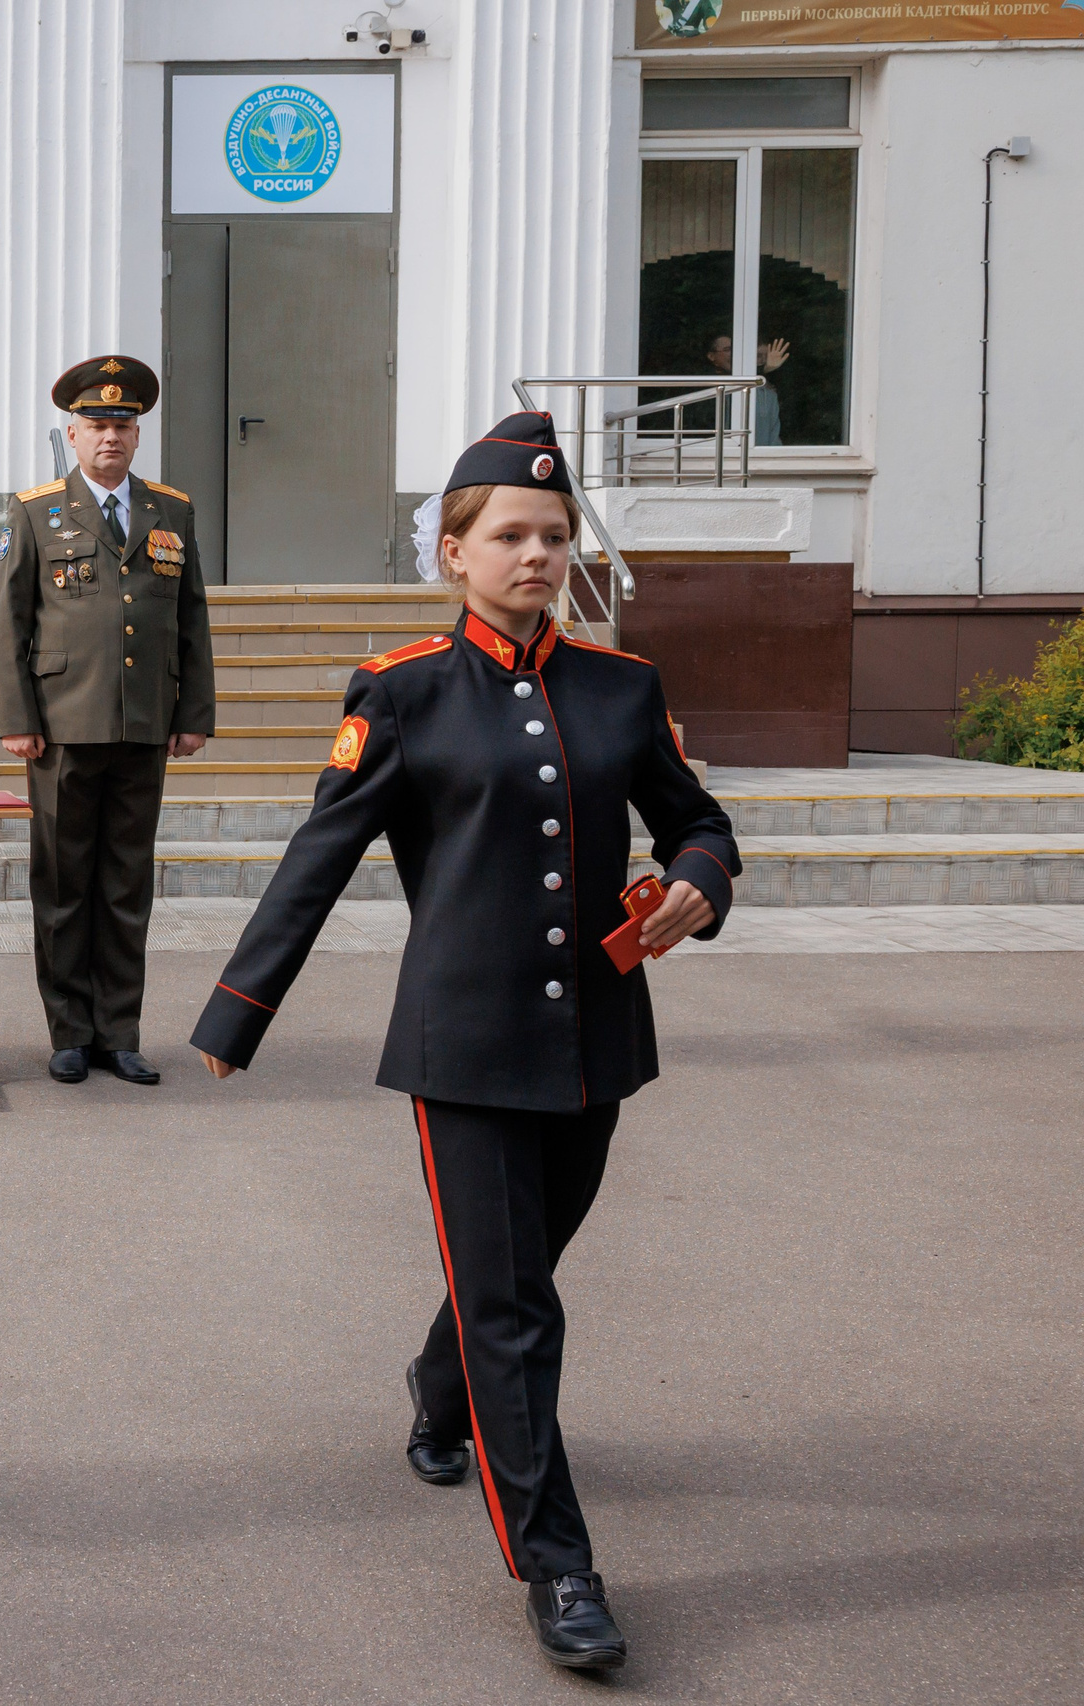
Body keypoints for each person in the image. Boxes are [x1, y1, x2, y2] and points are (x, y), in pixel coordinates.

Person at [188, 413, 742, 1673]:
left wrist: (705, 877)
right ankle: (557, 1566)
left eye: (554, 535)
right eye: (510, 535)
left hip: (598, 1039)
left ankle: (440, 1395)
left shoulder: (621, 685)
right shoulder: (402, 694)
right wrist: (240, 1009)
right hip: (463, 1045)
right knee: (515, 1307)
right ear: (453, 553)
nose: (537, 553)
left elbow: (697, 818)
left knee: (519, 1268)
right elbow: (317, 858)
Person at [0, 355, 215, 1086]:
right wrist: (17, 717)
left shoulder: (169, 512)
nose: (109, 437)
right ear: (73, 433)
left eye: (122, 425)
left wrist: (194, 714)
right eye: (96, 425)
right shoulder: (36, 511)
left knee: (125, 883)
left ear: (137, 435)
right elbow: (9, 624)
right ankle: (68, 1032)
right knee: (62, 884)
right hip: (60, 724)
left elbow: (191, 620)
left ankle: (119, 1031)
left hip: (143, 723)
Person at [705, 332, 788, 446]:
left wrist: (768, 372)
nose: (763, 361)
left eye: (735, 349)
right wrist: (766, 371)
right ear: (711, 356)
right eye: (728, 349)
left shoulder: (768, 390)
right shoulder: (707, 381)